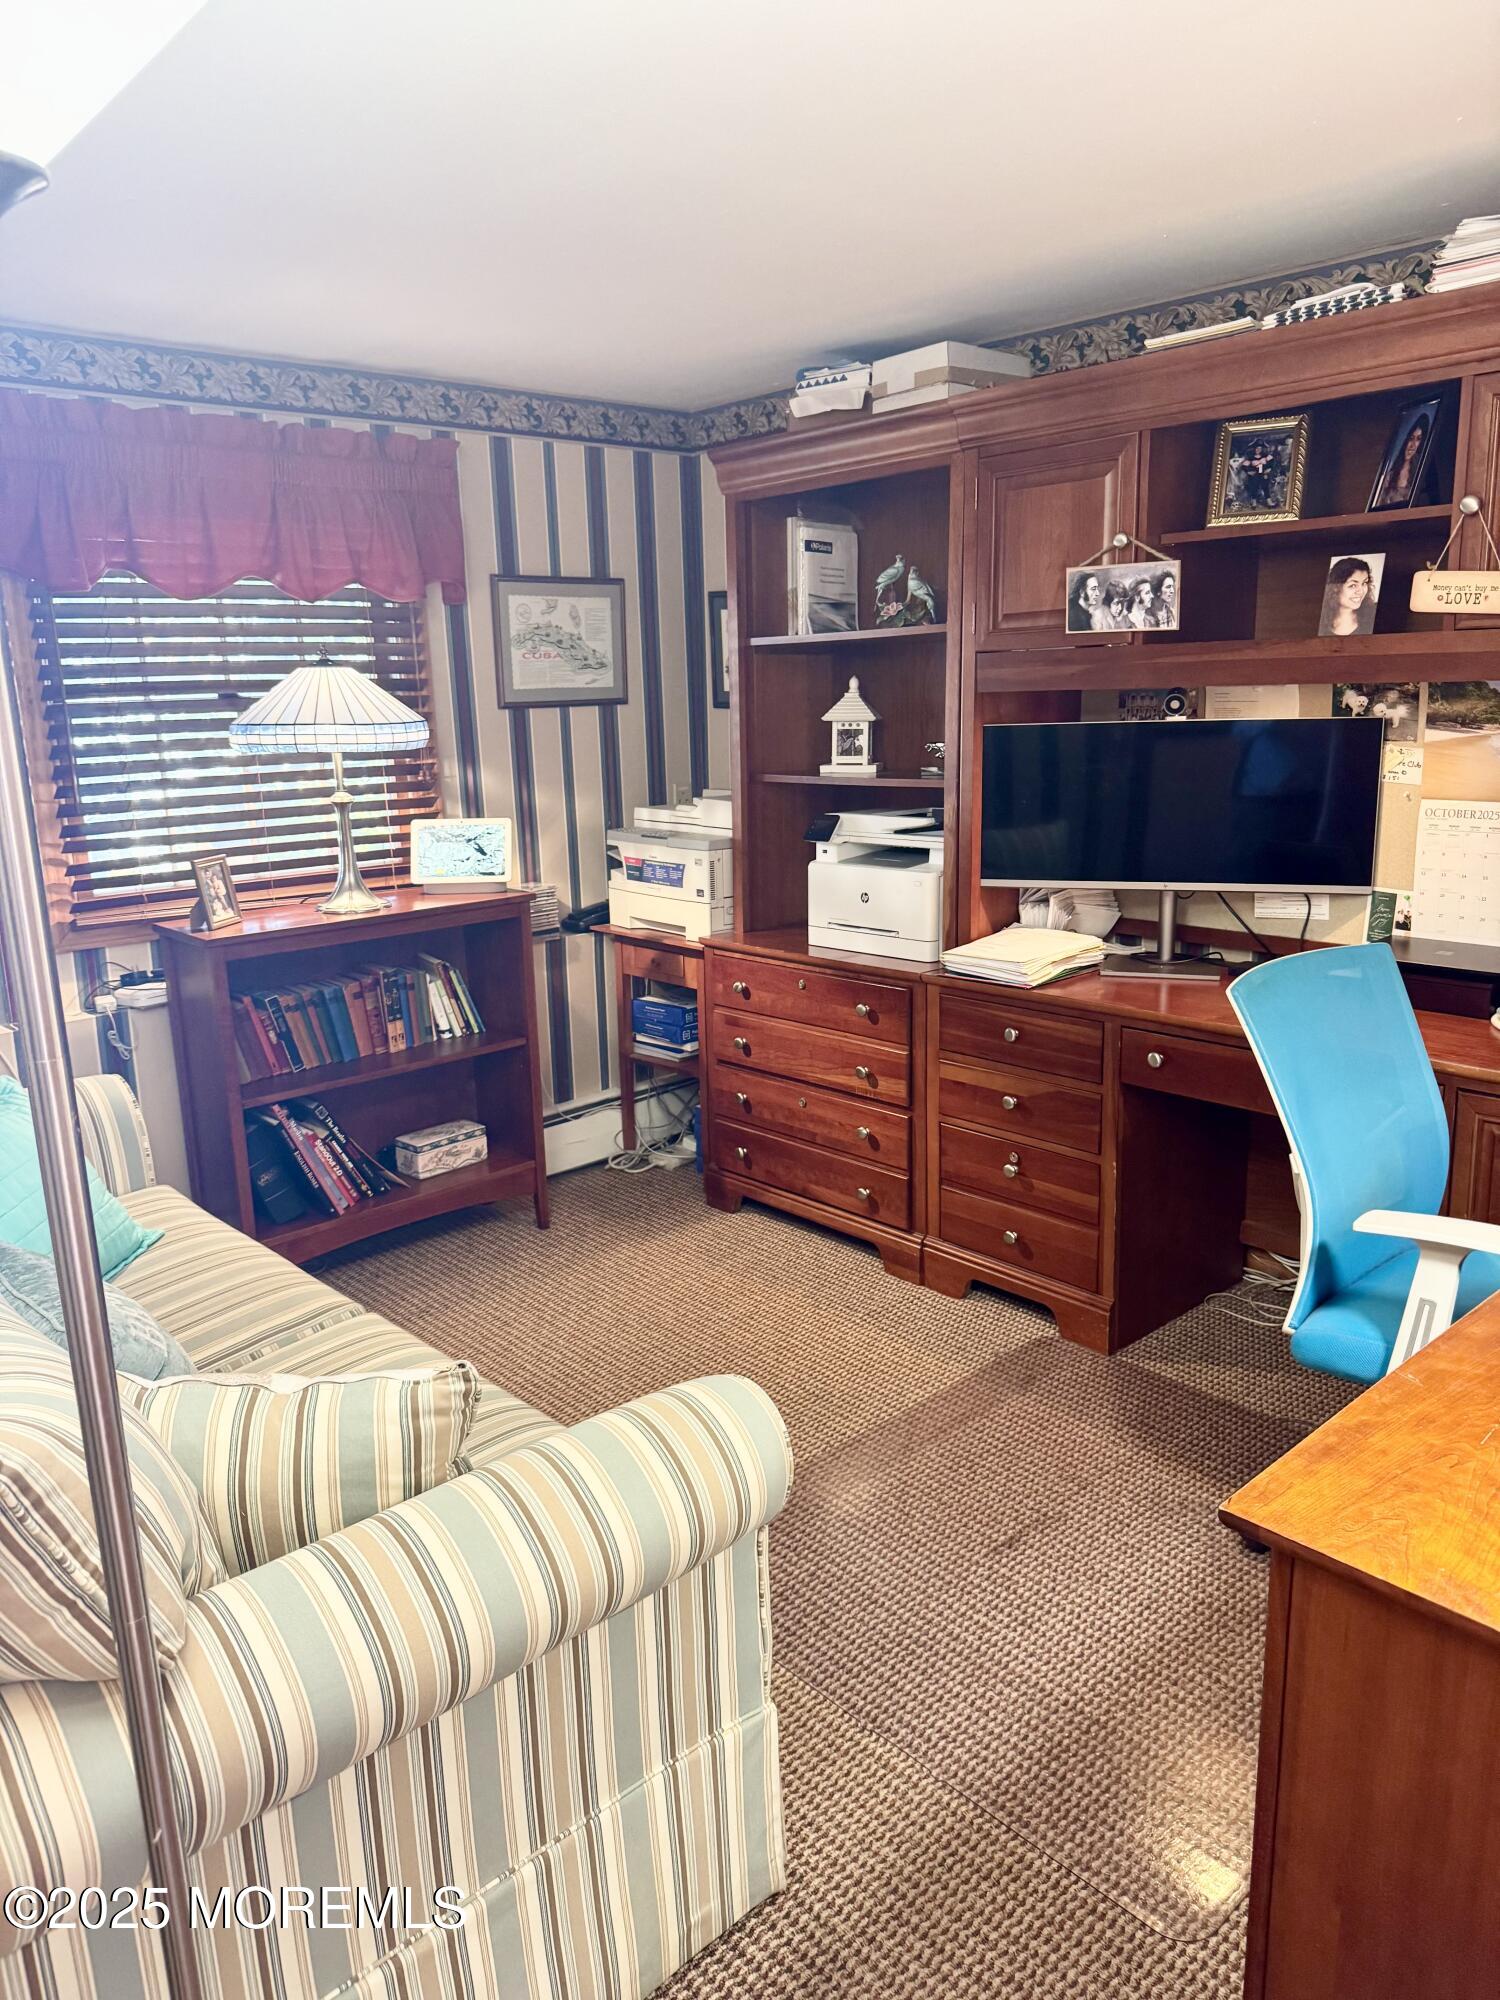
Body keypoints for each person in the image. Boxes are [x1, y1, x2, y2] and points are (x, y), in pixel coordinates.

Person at [1375, 415, 1428, 507]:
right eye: (1411, 438)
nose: (1413, 445)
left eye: (1418, 439)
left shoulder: (1421, 475)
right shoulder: (1390, 475)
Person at [1320, 556, 1378, 636]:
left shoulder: (1374, 613)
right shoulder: (1319, 620)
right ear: (1335, 588)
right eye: (1353, 585)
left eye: (1364, 583)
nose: (1361, 591)